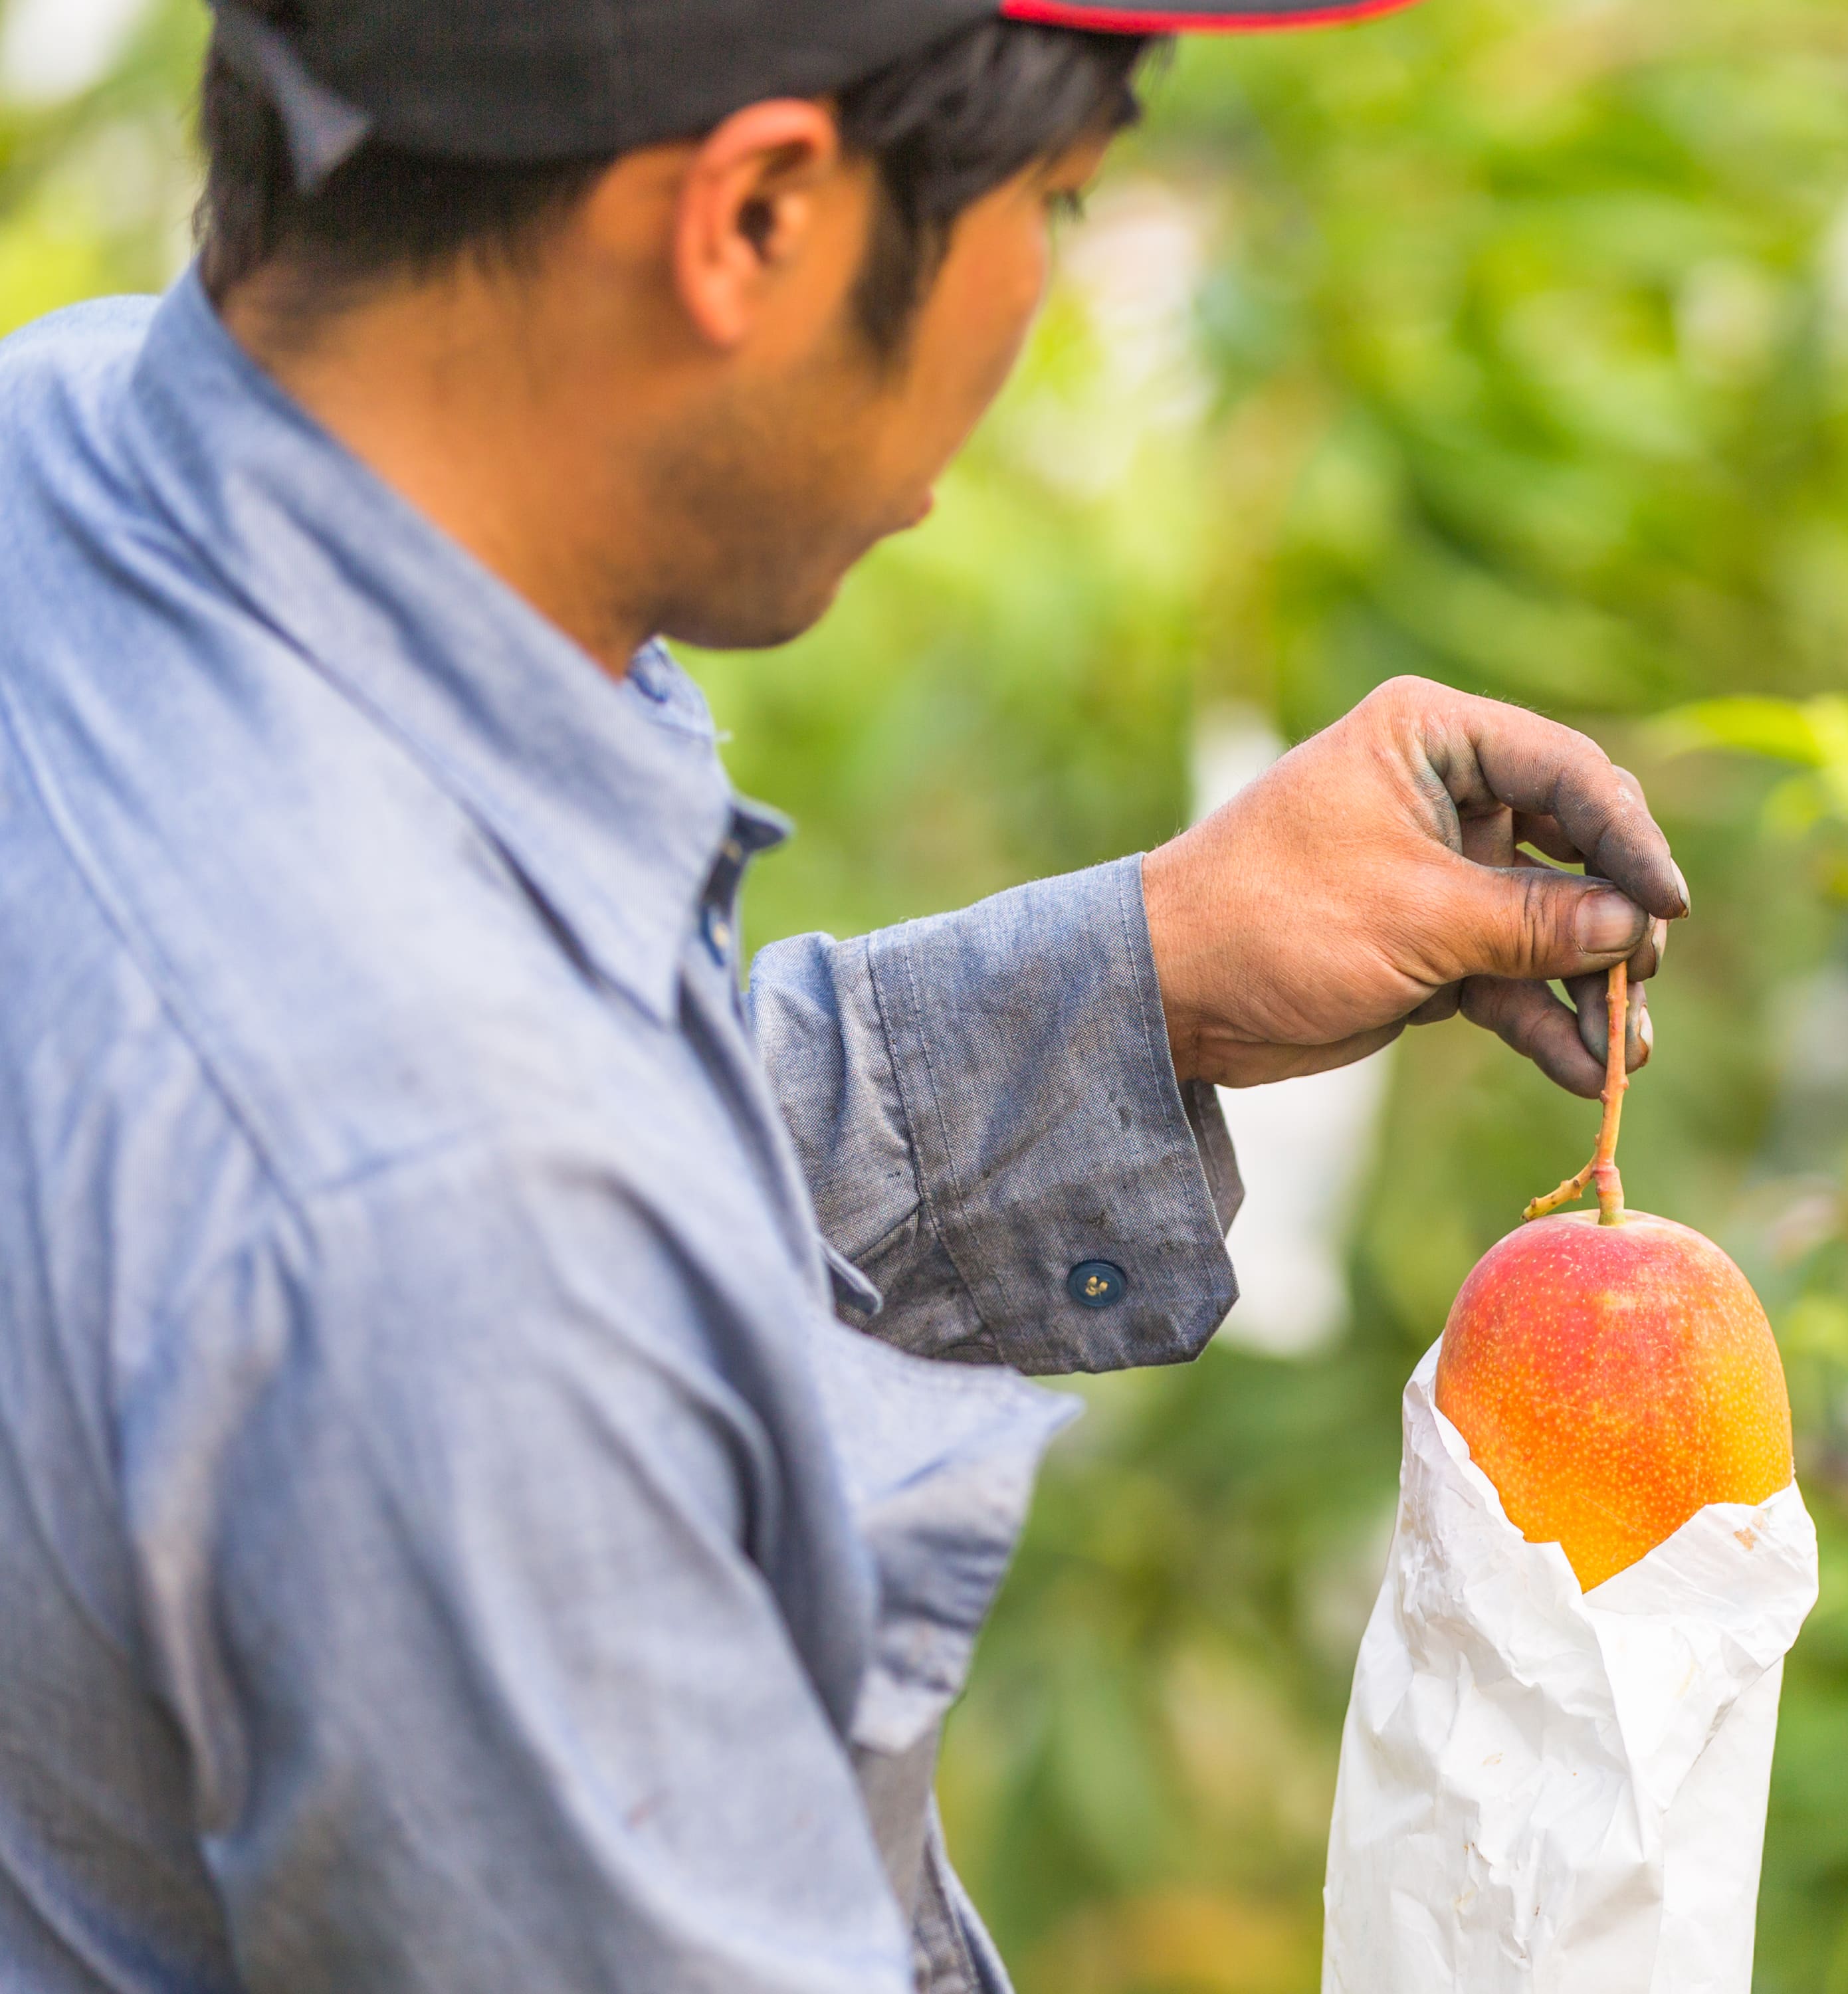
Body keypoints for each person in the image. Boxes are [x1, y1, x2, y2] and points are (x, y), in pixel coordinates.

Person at [0, 1, 1687, 1988]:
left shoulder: (68, 448)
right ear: (757, 216)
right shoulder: (446, 1232)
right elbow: (457, 1240)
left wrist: (1138, 977)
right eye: (1053, 199)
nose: (1049, 291)